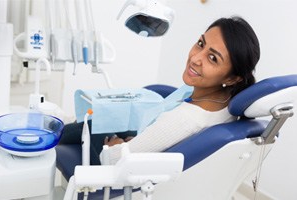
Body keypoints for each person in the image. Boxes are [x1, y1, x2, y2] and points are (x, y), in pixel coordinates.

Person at [59, 16, 260, 165]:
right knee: (98, 119)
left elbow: (114, 159)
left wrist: (115, 145)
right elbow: (162, 139)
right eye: (201, 44)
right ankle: (59, 127)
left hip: (120, 171)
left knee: (93, 124)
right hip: (151, 146)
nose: (196, 58)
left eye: (213, 58)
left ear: (232, 78)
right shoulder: (227, 103)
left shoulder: (184, 120)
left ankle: (49, 134)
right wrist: (140, 141)